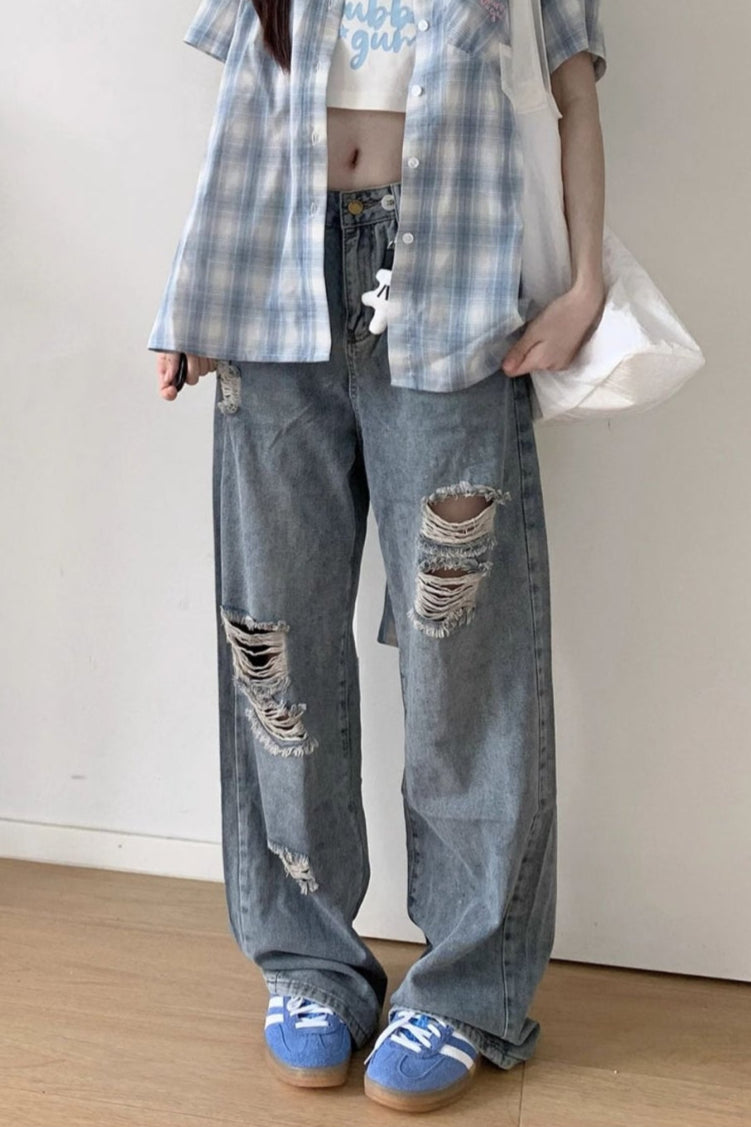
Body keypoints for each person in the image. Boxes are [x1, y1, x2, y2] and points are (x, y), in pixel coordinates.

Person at [149, 0, 607, 1113]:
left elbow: (574, 96)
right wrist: (194, 295)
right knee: (277, 644)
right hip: (270, 290)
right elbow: (244, 104)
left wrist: (584, 285)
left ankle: (466, 986)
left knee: (464, 657)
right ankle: (307, 963)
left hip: (455, 294)